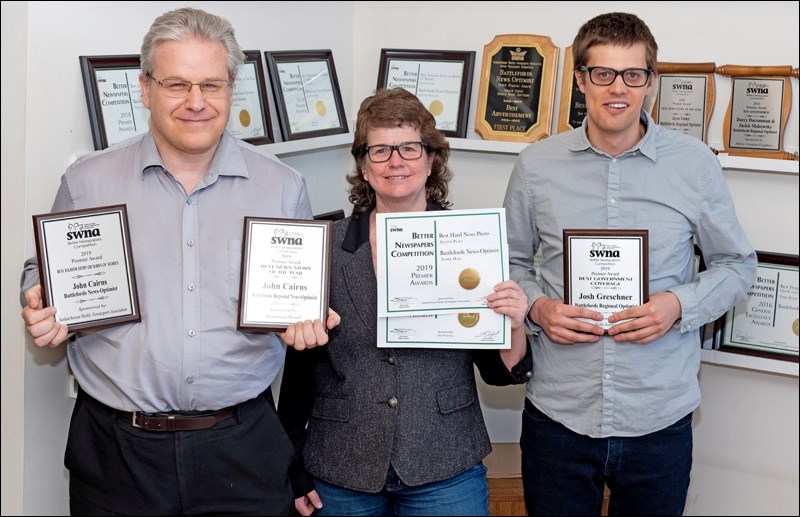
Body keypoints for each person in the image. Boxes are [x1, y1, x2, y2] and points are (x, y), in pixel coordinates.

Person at [20, 7, 333, 515]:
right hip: (116, 454)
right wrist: (38, 298)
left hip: (243, 448)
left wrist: (310, 318)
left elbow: (298, 293)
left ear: (232, 88)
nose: (195, 102)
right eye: (176, 84)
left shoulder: (282, 186)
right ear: (145, 89)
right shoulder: (89, 182)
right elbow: (45, 271)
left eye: (211, 85)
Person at [502, 12, 757, 516]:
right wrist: (538, 309)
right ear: (580, 80)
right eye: (602, 74)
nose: (618, 89)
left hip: (658, 417)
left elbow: (736, 265)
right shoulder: (536, 165)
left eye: (633, 75)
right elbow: (509, 261)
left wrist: (675, 306)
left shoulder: (694, 165)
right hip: (559, 415)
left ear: (650, 83)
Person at [277, 87, 533, 516]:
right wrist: (292, 467)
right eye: (380, 150)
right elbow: (300, 370)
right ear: (362, 163)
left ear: (432, 159)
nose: (396, 161)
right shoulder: (325, 246)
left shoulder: (471, 243)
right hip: (341, 469)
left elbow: (498, 372)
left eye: (409, 148)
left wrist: (515, 323)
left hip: (444, 465)